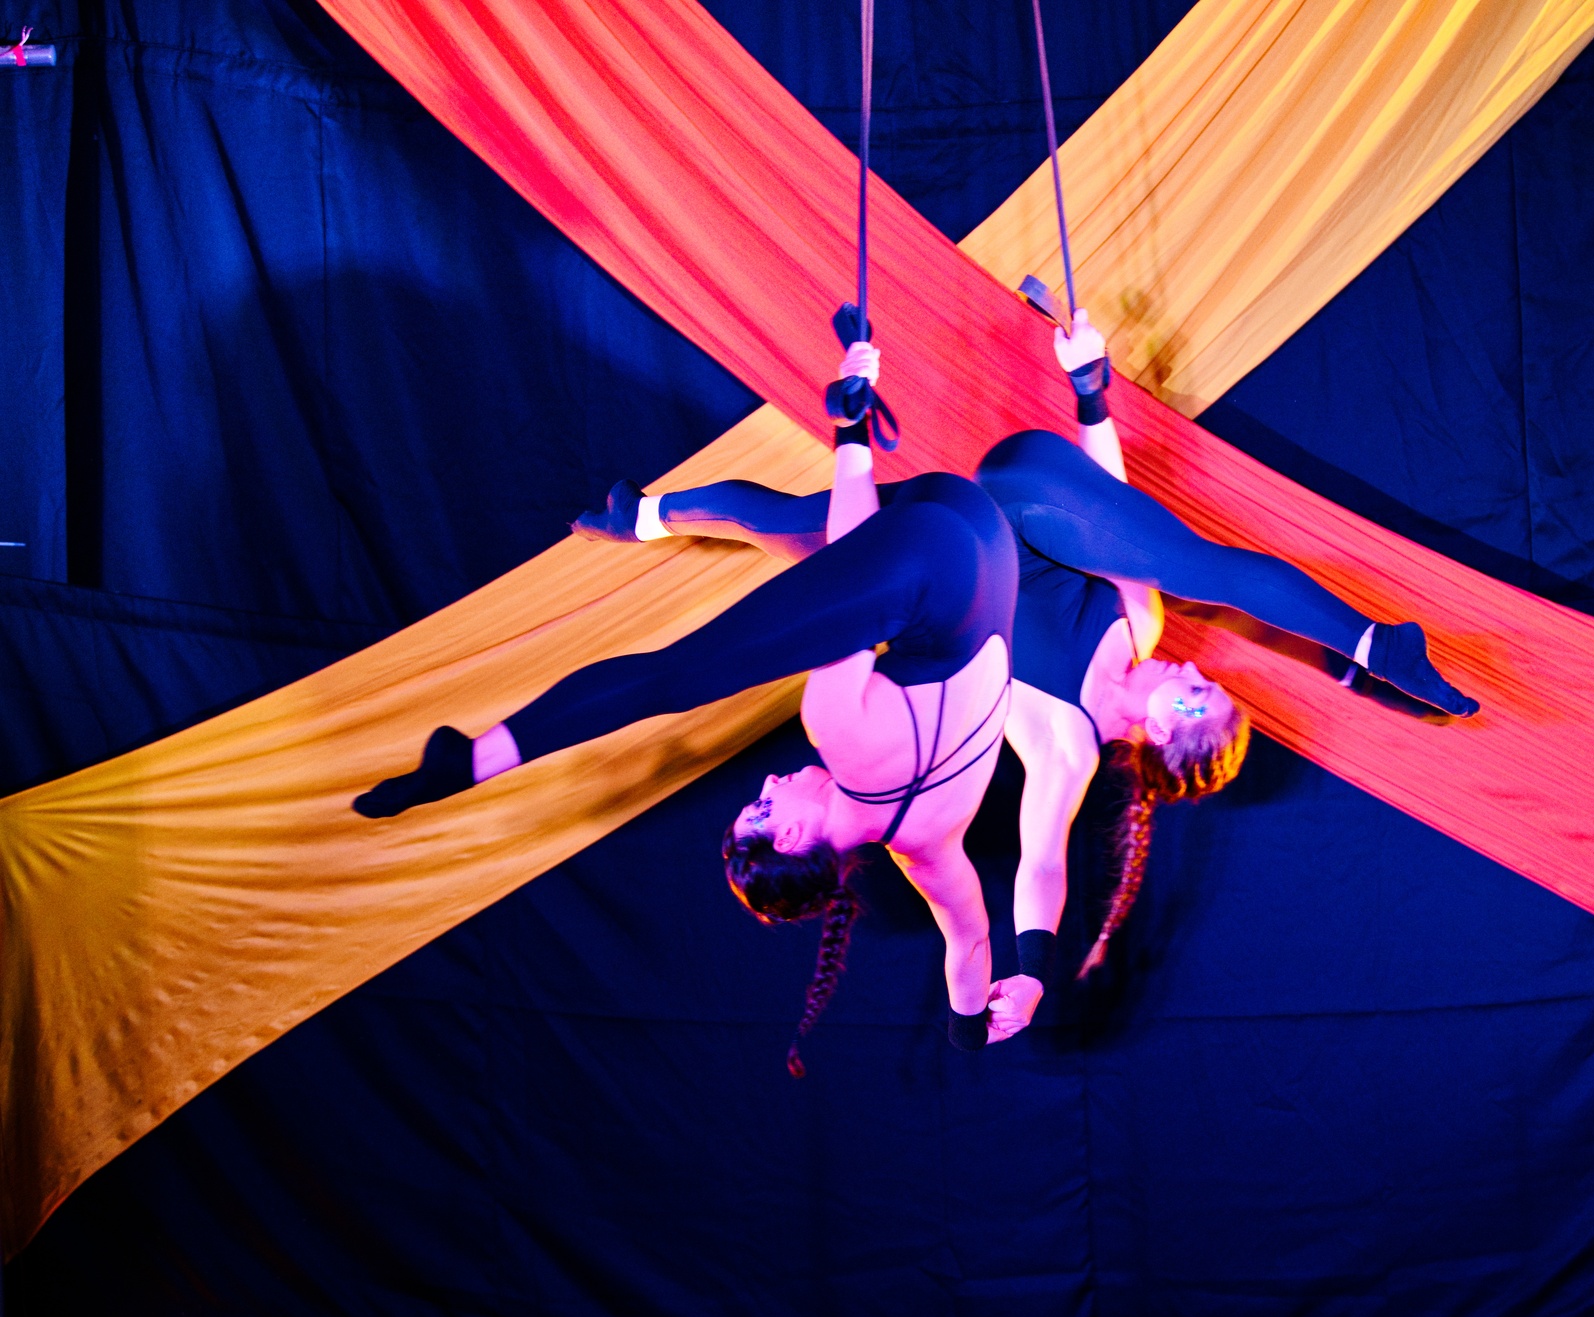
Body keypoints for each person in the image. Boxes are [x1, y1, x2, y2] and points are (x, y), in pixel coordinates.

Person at [572, 314, 1479, 1035]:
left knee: (794, 529)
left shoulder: (1062, 747)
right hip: (1032, 486)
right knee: (1179, 561)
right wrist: (1090, 393)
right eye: (1208, 682)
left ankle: (640, 514)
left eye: (1196, 693)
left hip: (958, 527)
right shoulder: (1143, 625)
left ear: (1166, 731)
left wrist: (1032, 970)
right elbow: (1115, 511)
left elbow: (1039, 865)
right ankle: (1373, 644)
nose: (1194, 667)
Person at [354, 344, 1029, 1072]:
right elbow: (856, 551)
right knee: (677, 676)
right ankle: (475, 760)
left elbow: (970, 942)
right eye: (765, 808)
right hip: (934, 552)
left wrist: (970, 1026)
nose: (768, 783)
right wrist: (851, 429)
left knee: (780, 525)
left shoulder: (933, 851)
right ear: (794, 835)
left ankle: (641, 516)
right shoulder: (840, 733)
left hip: (984, 539)